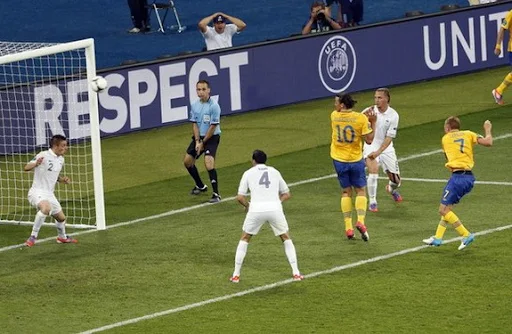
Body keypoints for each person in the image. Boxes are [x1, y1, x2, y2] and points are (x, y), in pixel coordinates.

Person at [229, 150, 303, 283]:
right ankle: (296, 272)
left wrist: (247, 206)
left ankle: (236, 275)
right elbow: (287, 194)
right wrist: (276, 202)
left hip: (256, 209)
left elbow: (240, 197)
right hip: (275, 209)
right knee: (285, 237)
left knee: (245, 238)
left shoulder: (248, 173)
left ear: (253, 161)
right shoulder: (274, 171)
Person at [423, 117, 493, 250]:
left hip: (458, 178)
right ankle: (438, 238)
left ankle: (466, 234)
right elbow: (488, 142)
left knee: (442, 210)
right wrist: (487, 129)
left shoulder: (445, 138)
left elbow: (447, 157)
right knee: (447, 209)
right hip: (468, 177)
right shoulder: (469, 134)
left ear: (448, 128)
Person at [330, 93, 375, 241]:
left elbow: (343, 116)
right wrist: (372, 122)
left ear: (342, 105)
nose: (334, 105)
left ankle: (348, 228)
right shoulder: (360, 119)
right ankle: (361, 221)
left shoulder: (334, 116)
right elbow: (369, 140)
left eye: (337, 102)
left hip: (339, 160)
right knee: (361, 191)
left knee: (345, 192)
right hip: (355, 160)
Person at [24, 135, 77, 247]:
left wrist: (62, 179)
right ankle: (33, 236)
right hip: (37, 191)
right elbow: (26, 167)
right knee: (46, 208)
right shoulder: (43, 155)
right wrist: (35, 164)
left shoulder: (61, 159)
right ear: (55, 146)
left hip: (49, 194)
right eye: (63, 145)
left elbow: (54, 175)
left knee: (61, 218)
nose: (66, 148)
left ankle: (62, 237)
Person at [362, 88, 402, 212]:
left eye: (380, 98)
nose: (377, 100)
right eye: (375, 97)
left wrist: (378, 152)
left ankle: (391, 189)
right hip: (370, 145)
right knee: (373, 171)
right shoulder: (368, 112)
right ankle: (373, 202)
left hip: (386, 148)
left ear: (387, 99)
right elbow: (358, 129)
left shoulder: (393, 115)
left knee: (396, 180)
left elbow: (389, 137)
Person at [183, 80, 222, 203]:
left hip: (211, 138)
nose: (201, 92)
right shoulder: (194, 105)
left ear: (209, 90)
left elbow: (212, 127)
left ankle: (216, 194)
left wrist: (203, 143)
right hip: (199, 138)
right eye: (198, 89)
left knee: (208, 163)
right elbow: (195, 124)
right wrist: (197, 141)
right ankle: (200, 186)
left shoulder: (214, 106)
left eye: (203, 89)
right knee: (188, 162)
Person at [492, 9, 512, 105]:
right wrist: (498, 46)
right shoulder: (510, 14)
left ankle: (498, 91)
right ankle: (498, 91)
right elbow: (502, 29)